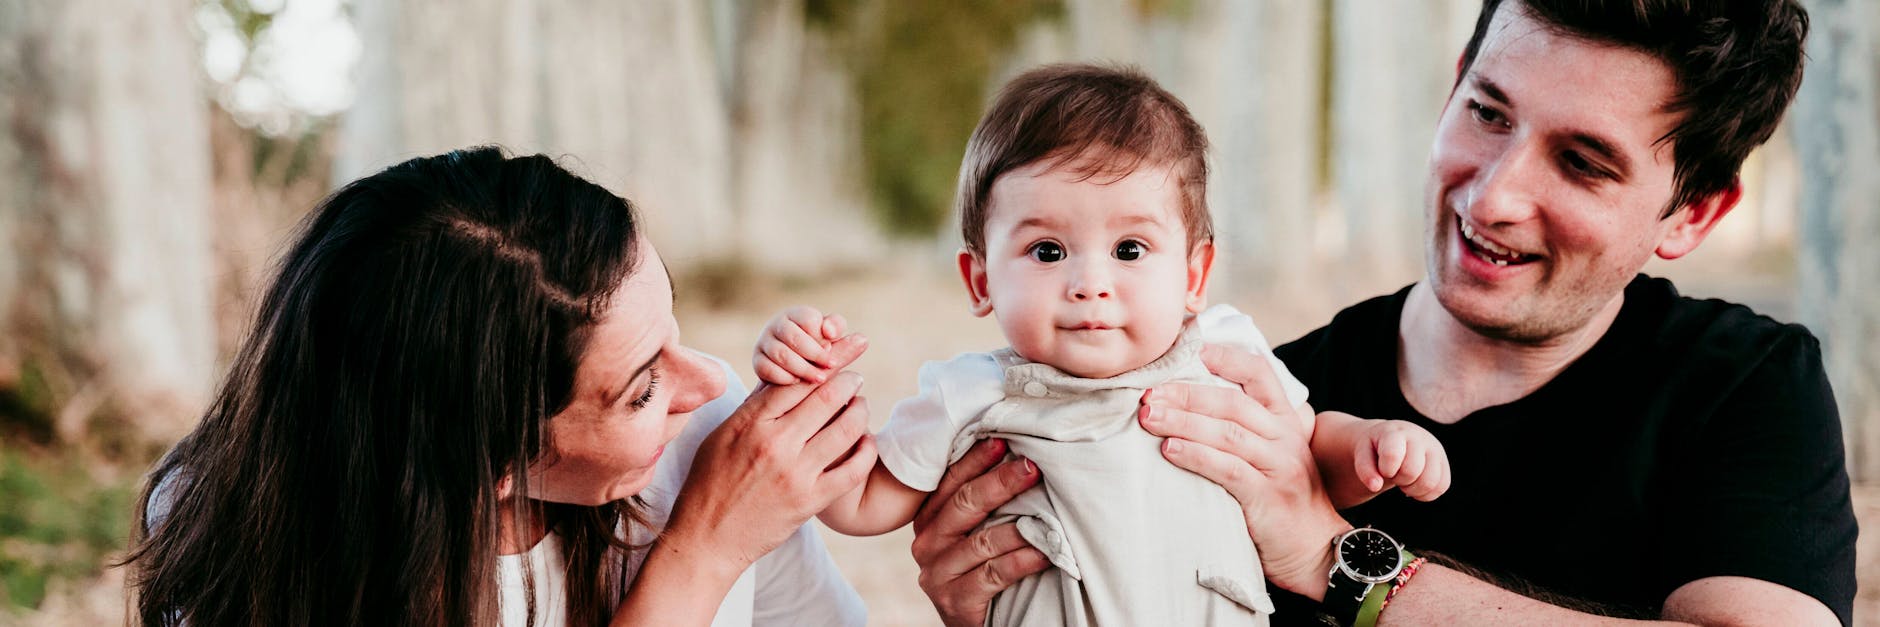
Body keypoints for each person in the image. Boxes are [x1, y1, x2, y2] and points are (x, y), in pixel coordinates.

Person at [1129, 0, 1856, 625]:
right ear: (1453, 87)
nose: (1492, 199)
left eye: (1582, 162)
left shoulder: (1745, 387)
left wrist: (1335, 560)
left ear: (1692, 214)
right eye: (1488, 112)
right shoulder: (1256, 400)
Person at [753, 64, 1451, 626]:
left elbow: (1309, 456)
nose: (1091, 282)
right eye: (1048, 249)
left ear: (1195, 274)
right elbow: (860, 506)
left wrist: (1369, 446)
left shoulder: (1225, 354)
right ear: (981, 279)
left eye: (1130, 248)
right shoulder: (968, 394)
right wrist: (806, 387)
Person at [123, 147, 874, 626]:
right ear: (495, 466)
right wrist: (703, 552)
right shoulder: (233, 543)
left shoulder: (705, 445)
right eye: (642, 389)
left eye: (672, 325)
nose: (710, 382)